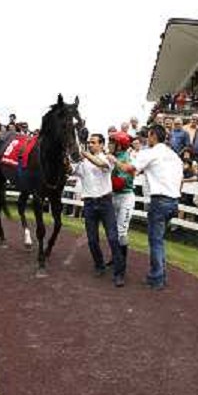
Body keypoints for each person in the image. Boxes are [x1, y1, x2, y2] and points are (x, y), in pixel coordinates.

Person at [115, 124, 183, 290]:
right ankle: (160, 274)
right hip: (173, 201)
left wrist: (113, 160)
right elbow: (180, 180)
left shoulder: (151, 153)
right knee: (159, 240)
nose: (147, 139)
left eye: (148, 136)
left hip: (160, 201)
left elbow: (130, 169)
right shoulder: (174, 155)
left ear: (153, 136)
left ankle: (156, 278)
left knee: (156, 241)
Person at [73, 134, 125, 288]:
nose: (90, 145)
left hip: (105, 202)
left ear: (102, 145)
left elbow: (101, 165)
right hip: (89, 203)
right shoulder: (83, 163)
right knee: (92, 239)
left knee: (113, 238)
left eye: (94, 142)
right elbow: (71, 170)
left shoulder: (108, 158)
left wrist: (84, 154)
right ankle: (99, 265)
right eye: (89, 142)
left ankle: (119, 273)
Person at [107, 132, 135, 276]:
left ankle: (122, 264)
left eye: (113, 142)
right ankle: (114, 257)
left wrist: (113, 163)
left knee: (121, 232)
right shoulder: (113, 156)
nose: (109, 145)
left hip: (125, 197)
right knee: (113, 231)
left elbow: (121, 182)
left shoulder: (126, 157)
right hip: (114, 197)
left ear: (119, 145)